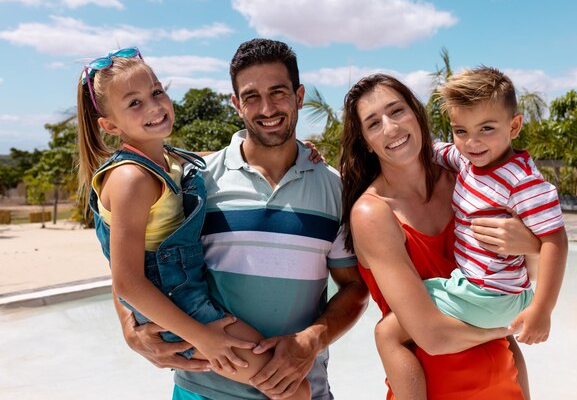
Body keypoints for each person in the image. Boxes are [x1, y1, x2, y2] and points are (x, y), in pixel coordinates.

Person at [113, 38, 370, 400]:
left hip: (304, 390)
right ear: (236, 105)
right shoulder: (196, 181)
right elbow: (133, 259)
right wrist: (130, 328)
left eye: (278, 92)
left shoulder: (335, 189)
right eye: (251, 96)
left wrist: (311, 338)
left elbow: (355, 287)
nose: (266, 108)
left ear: (299, 96)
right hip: (202, 391)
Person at [76, 46, 310, 399]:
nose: (154, 106)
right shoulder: (130, 179)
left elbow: (224, 157)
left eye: (157, 92)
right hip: (180, 311)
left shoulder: (169, 160)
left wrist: (302, 151)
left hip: (190, 299)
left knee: (289, 386)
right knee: (293, 390)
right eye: (134, 103)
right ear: (109, 125)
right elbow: (126, 281)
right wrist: (202, 338)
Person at [341, 73, 544, 399]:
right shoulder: (372, 214)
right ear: (365, 141)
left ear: (416, 114)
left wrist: (530, 244)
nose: (391, 127)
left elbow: (520, 277)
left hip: (507, 386)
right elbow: (433, 337)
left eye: (396, 111)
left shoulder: (467, 180)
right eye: (373, 123)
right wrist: (505, 326)